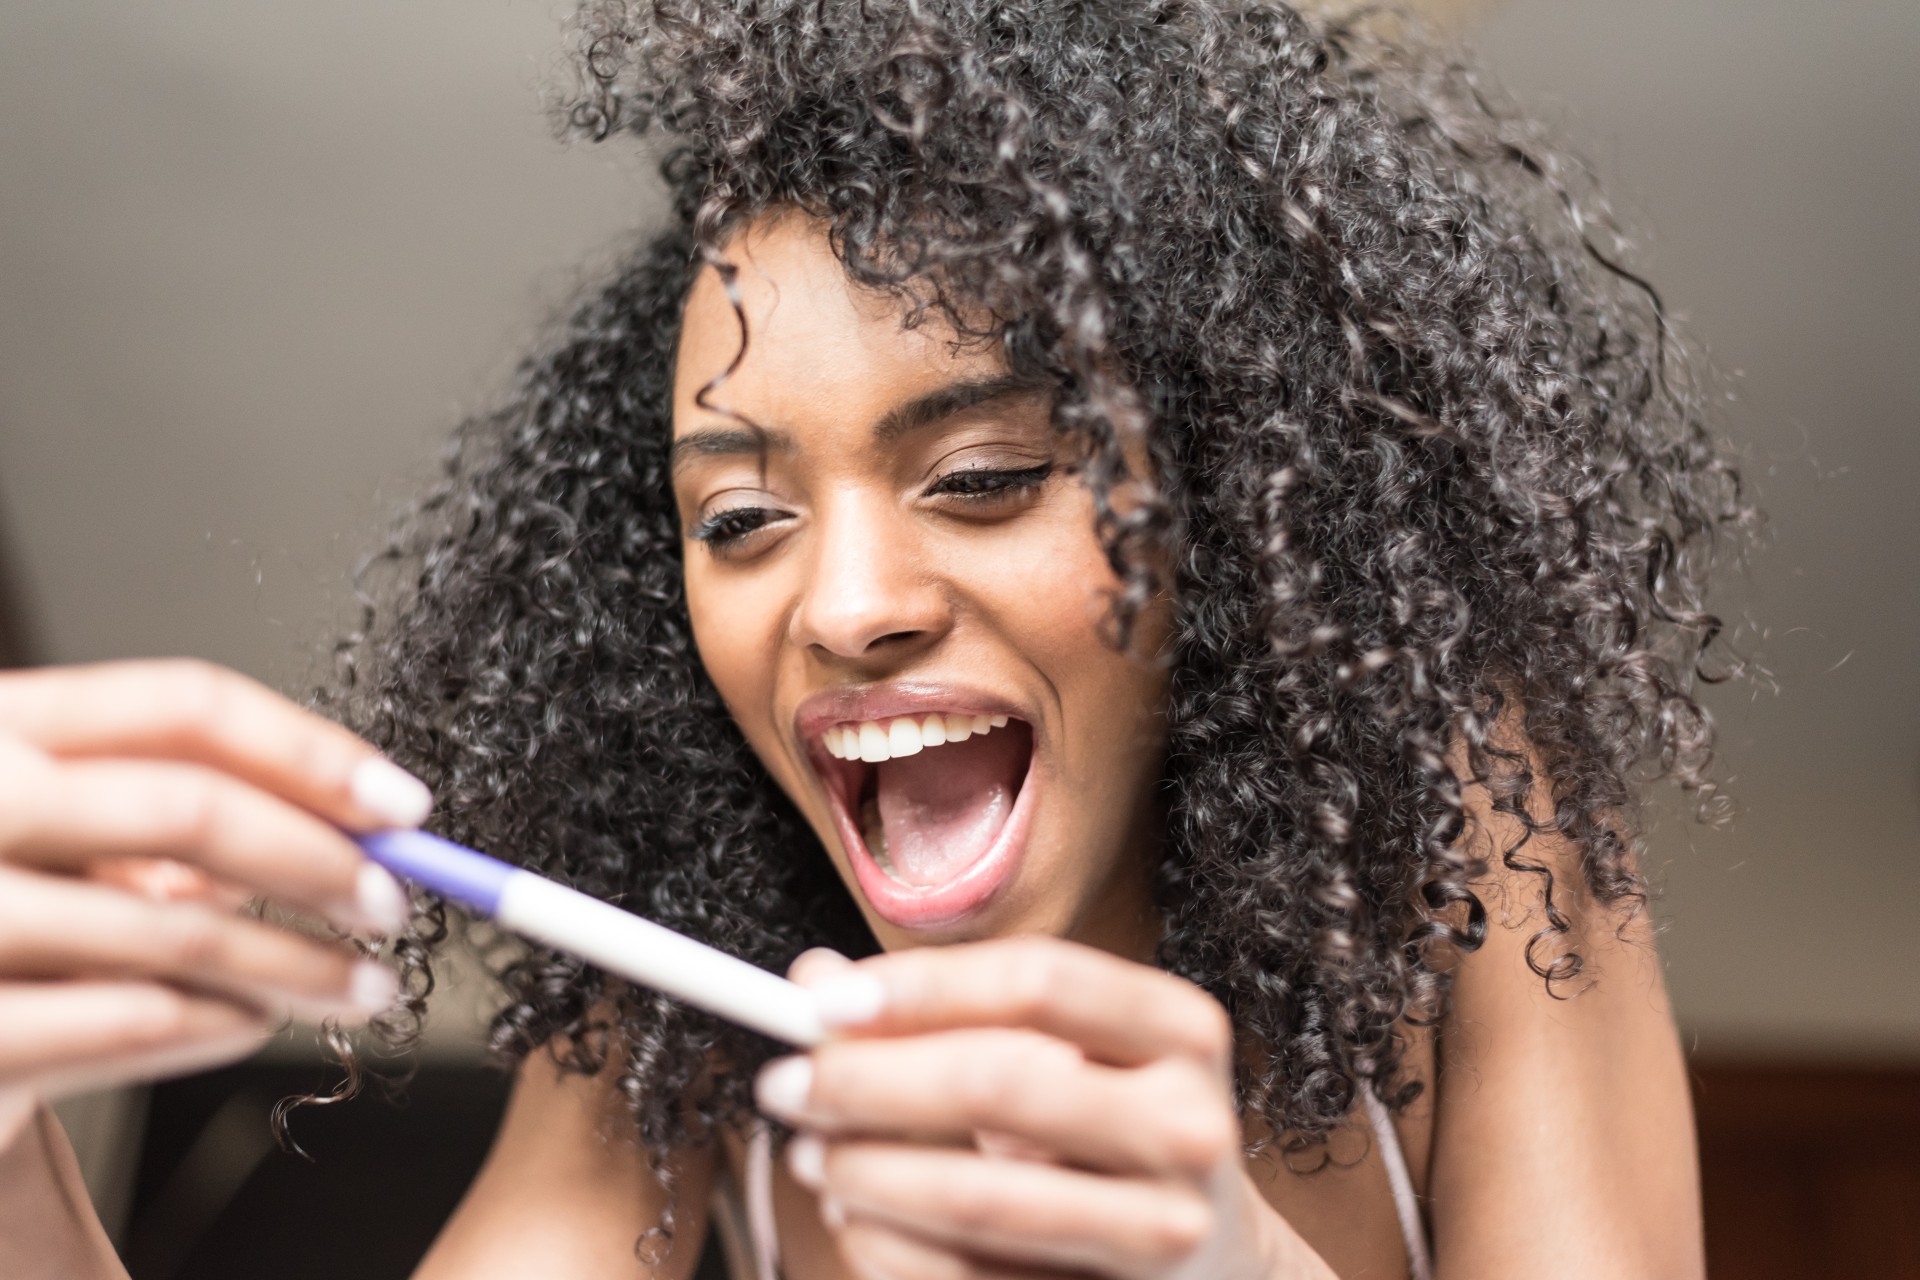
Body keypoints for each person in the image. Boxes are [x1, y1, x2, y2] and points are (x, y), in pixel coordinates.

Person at [0, 2, 1749, 1276]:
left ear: (1231, 513)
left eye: (981, 476)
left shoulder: (1467, 848)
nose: (842, 608)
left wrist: (1224, 1263)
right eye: (740, 520)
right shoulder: (674, 1034)